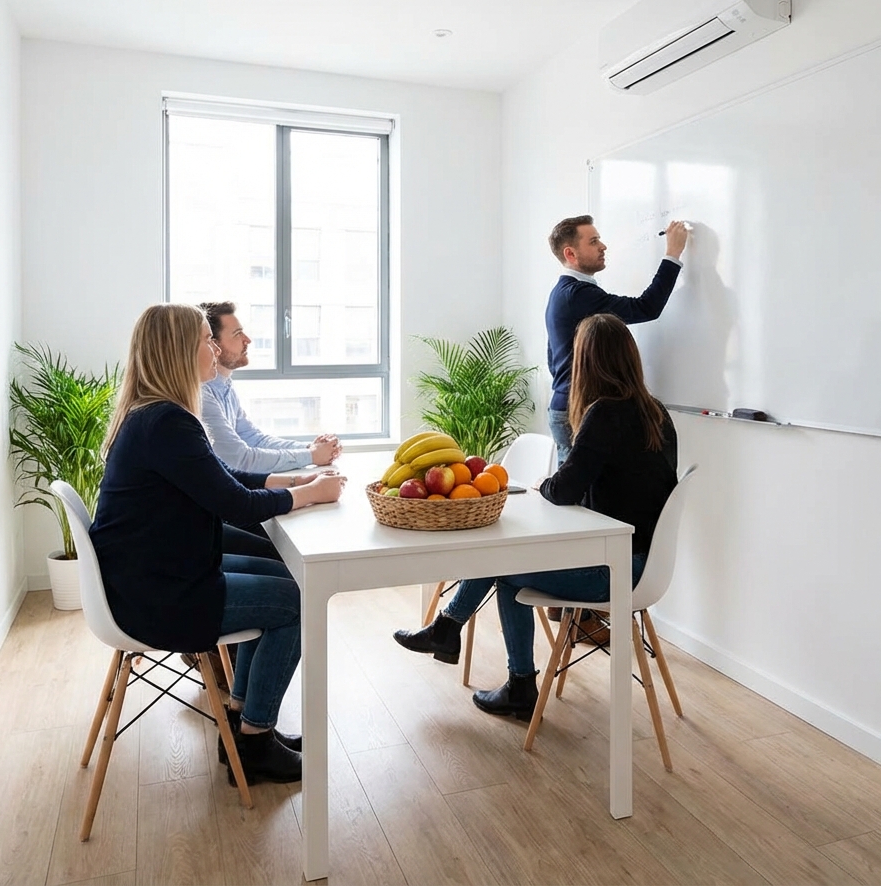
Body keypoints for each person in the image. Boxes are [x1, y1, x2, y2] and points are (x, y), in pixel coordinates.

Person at [90, 303, 346, 783]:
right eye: (205, 341)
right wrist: (308, 495)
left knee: (289, 578)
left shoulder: (155, 416)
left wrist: (297, 481)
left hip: (150, 577)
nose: (214, 348)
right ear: (179, 352)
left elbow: (225, 477)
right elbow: (235, 503)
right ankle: (254, 741)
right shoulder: (167, 423)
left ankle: (243, 719)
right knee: (298, 600)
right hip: (159, 597)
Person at [392, 314, 677, 722]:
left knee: (505, 566)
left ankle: (507, 675)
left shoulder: (605, 413)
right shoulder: (656, 412)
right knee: (506, 561)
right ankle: (453, 634)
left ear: (586, 363)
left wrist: (545, 484)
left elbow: (564, 490)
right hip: (643, 564)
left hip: (614, 571)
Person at [545, 215, 687, 463]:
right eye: (593, 241)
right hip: (576, 409)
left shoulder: (562, 292)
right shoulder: (578, 295)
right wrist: (673, 254)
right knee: (577, 486)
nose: (603, 246)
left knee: (578, 483)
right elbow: (646, 308)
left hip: (567, 404)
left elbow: (553, 357)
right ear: (570, 253)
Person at [199, 300, 342, 473]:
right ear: (213, 344)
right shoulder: (202, 394)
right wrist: (311, 456)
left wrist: (309, 448)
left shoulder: (224, 385)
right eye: (237, 334)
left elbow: (254, 439)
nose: (247, 340)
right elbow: (240, 459)